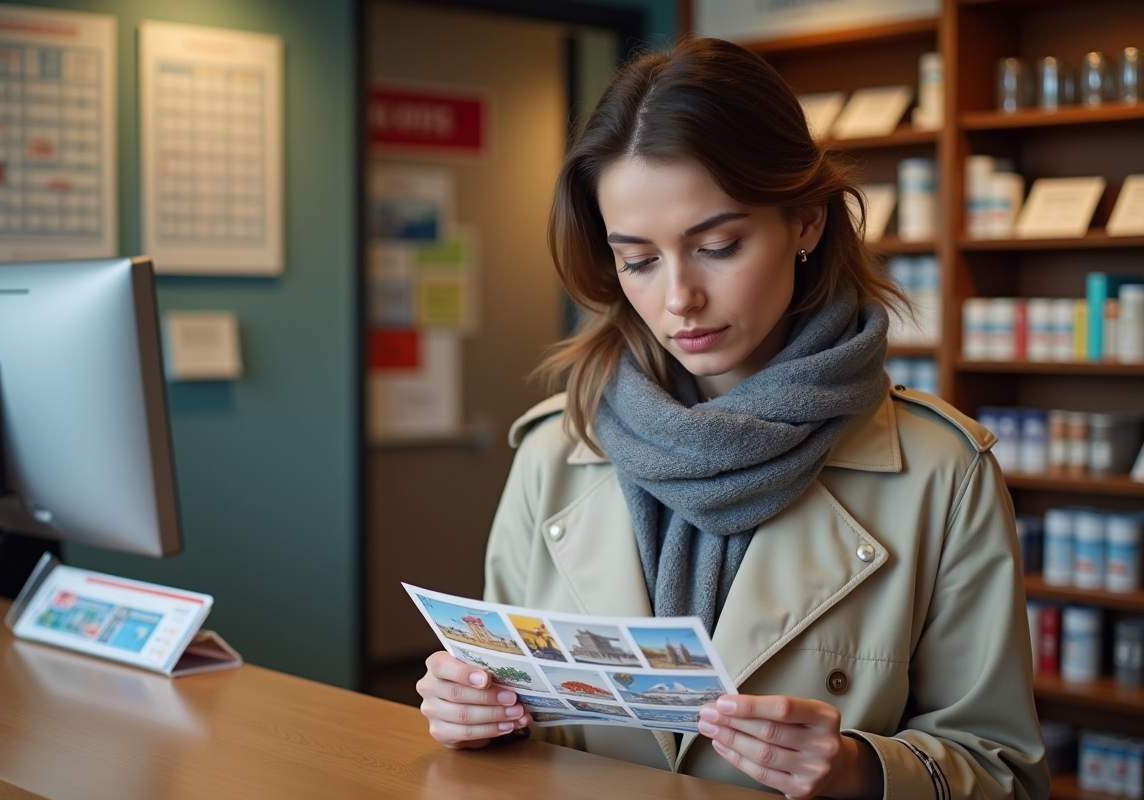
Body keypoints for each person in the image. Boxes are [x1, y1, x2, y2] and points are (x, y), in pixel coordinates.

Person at [416, 37, 1049, 800]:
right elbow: (506, 701)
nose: (678, 299)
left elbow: (1005, 773)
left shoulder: (944, 471)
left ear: (807, 222)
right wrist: (473, 710)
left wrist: (860, 770)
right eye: (638, 260)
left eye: (718, 245)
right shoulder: (554, 447)